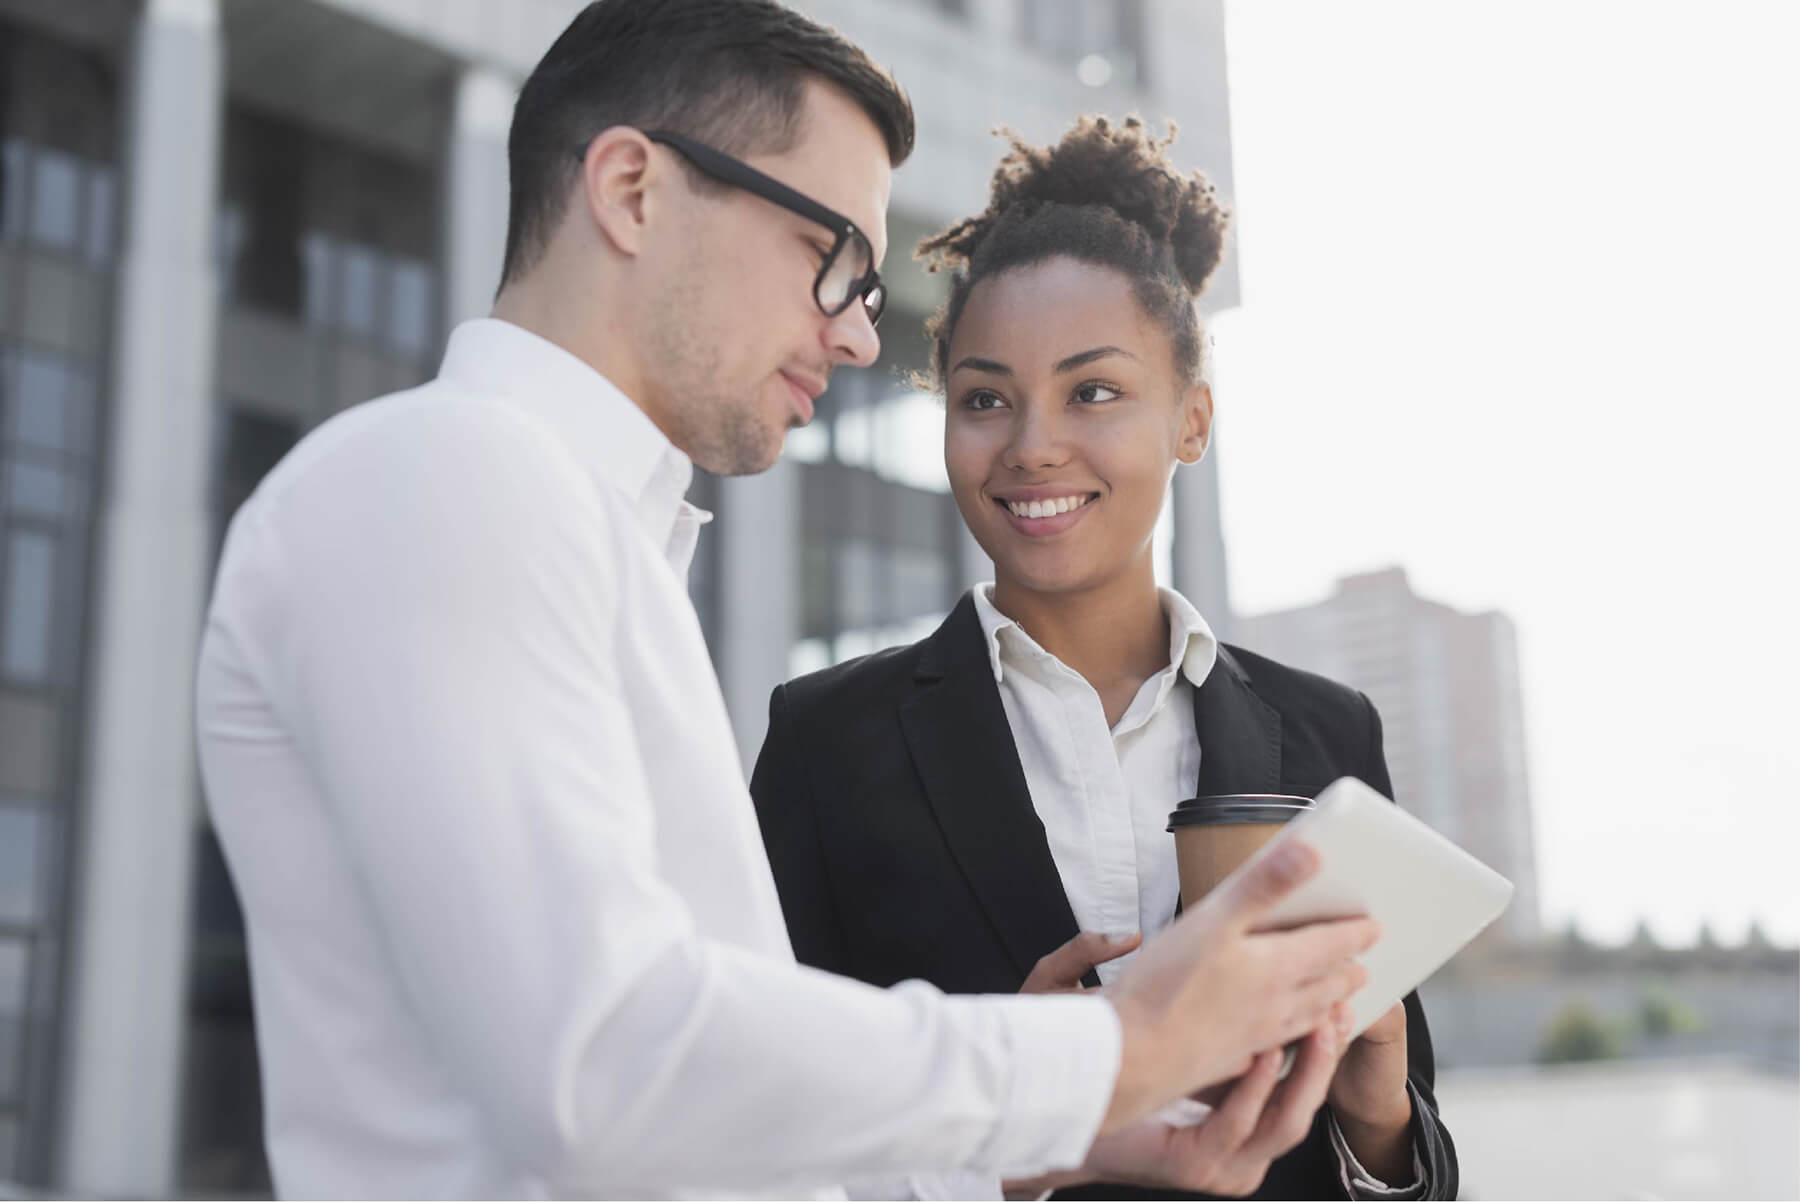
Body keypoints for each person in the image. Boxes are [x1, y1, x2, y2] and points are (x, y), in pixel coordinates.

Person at [194, 2, 1378, 1197]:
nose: (860, 335)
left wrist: (1021, 1160)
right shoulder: (445, 476)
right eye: (837, 259)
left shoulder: (594, 541)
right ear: (633, 190)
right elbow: (602, 1069)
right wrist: (1126, 1047)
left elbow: (713, 1149)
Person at [749, 116, 1459, 1200]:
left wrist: (1380, 1111)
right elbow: (761, 1132)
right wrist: (997, 1123)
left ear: (1192, 419)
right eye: (985, 398)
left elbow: (1397, 1157)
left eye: (1093, 391)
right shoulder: (824, 742)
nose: (1032, 442)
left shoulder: (1329, 733)